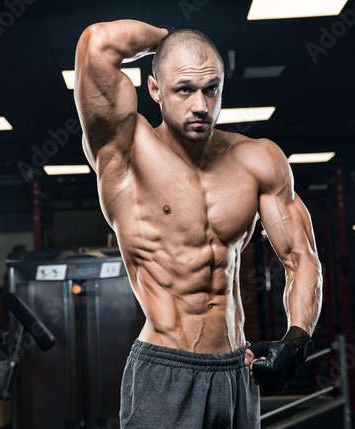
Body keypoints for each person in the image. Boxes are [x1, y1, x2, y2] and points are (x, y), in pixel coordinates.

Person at [74, 19, 322, 429]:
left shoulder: (258, 158)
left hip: (236, 370)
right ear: (155, 90)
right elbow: (98, 42)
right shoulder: (123, 151)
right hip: (165, 368)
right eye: (184, 89)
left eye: (211, 88)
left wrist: (296, 338)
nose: (201, 105)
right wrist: (170, 39)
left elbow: (301, 256)